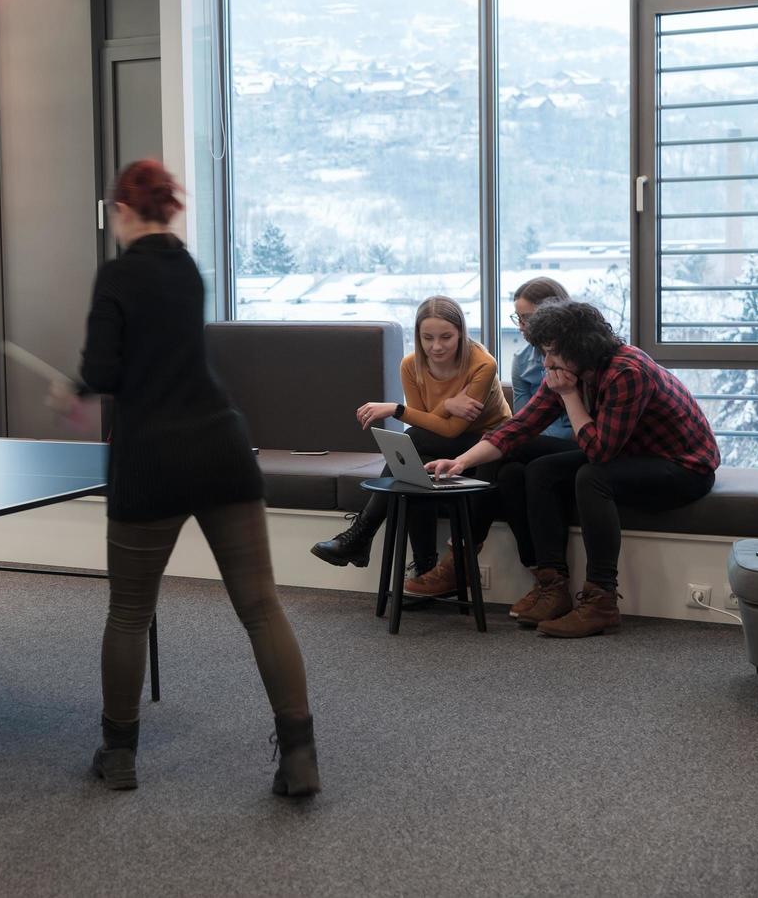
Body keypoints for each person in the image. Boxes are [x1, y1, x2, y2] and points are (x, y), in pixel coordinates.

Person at [51, 159, 319, 797]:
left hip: (151, 459)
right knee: (260, 606)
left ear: (121, 210)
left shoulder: (117, 274)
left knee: (129, 613)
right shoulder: (188, 270)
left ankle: (119, 757)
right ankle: (301, 755)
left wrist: (74, 386)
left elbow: (106, 367)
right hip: (221, 446)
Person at [427, 300, 719, 638]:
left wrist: (568, 395)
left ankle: (601, 602)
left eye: (551, 352)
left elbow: (598, 451)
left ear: (578, 347)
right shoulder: (572, 370)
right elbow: (519, 427)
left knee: (592, 477)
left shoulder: (626, 372)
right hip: (629, 454)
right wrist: (462, 461)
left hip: (684, 468)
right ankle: (549, 583)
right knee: (527, 462)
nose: (546, 362)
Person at [310, 296, 511, 597]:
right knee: (414, 467)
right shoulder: (410, 365)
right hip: (441, 442)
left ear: (461, 333)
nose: (436, 346)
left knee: (413, 442)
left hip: (486, 444)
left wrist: (396, 408)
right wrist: (448, 404)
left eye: (446, 337)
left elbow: (451, 428)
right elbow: (431, 423)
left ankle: (360, 535)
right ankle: (424, 569)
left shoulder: (482, 364)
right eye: (427, 338)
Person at [495, 277, 580, 622]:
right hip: (539, 444)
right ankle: (547, 579)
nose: (524, 327)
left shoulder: (579, 355)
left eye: (529, 318)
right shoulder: (524, 362)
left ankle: (463, 553)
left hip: (579, 447)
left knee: (510, 454)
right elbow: (524, 420)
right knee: (510, 472)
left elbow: (582, 431)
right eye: (519, 319)